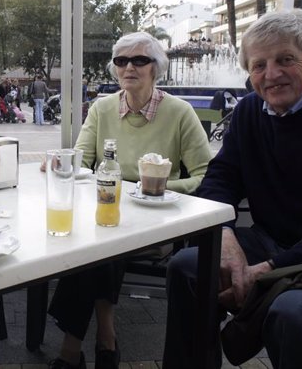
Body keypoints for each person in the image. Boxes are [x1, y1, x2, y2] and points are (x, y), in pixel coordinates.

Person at [163, 9, 302, 369]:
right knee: (187, 267)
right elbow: (220, 178)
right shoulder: (249, 111)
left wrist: (269, 268)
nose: (271, 75)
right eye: (259, 65)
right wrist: (225, 235)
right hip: (268, 239)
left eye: (285, 59)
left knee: (293, 314)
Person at [47, 32, 212, 369]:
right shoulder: (102, 108)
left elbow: (206, 174)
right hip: (106, 211)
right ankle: (105, 339)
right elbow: (80, 158)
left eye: (139, 60)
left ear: (156, 68)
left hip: (157, 221)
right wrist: (61, 161)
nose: (129, 67)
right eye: (121, 61)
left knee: (99, 245)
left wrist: (160, 190)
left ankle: (71, 350)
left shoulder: (179, 113)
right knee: (101, 239)